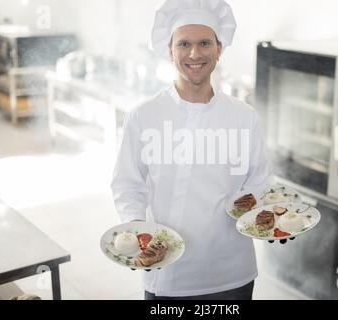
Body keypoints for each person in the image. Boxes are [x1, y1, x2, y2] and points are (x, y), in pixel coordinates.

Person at [111, 0, 271, 300]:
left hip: (232, 273)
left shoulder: (243, 116)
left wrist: (267, 220)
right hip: (167, 270)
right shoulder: (143, 116)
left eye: (204, 43)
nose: (195, 54)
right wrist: (136, 230)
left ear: (219, 49)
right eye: (184, 44)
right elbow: (127, 185)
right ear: (169, 50)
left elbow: (260, 183)